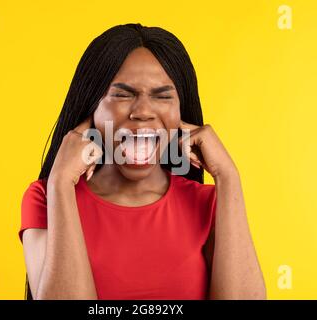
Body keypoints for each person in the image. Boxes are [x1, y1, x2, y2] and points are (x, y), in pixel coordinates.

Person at [19, 23, 266, 300]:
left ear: (180, 113)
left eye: (162, 96)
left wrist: (228, 176)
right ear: (92, 108)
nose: (143, 112)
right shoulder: (47, 196)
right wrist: (61, 182)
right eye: (123, 94)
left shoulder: (209, 204)